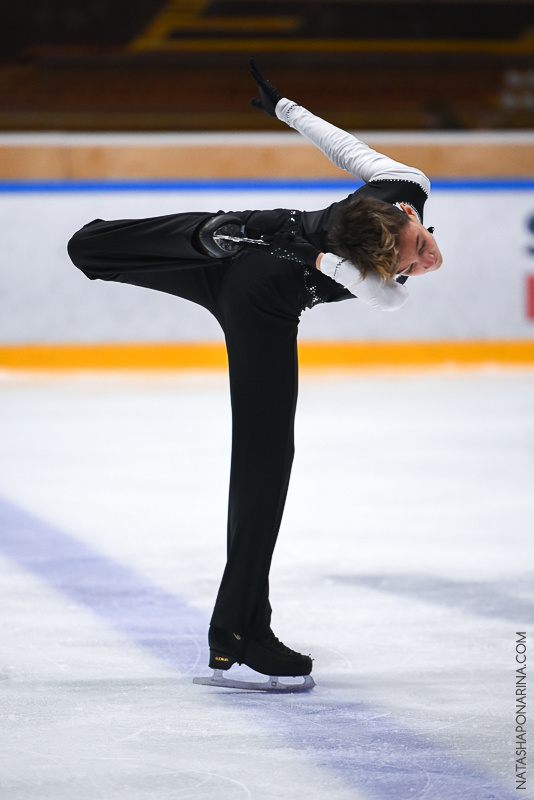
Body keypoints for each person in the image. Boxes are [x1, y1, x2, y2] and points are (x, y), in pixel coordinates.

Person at [67, 59, 442, 691]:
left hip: (264, 286)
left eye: (420, 249)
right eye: (415, 257)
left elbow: (350, 166)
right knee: (88, 246)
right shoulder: (384, 237)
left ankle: (239, 632)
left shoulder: (401, 194)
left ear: (408, 211)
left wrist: (287, 116)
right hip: (251, 267)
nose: (427, 258)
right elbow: (382, 277)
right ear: (383, 245)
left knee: (264, 464)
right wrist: (283, 122)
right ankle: (215, 236)